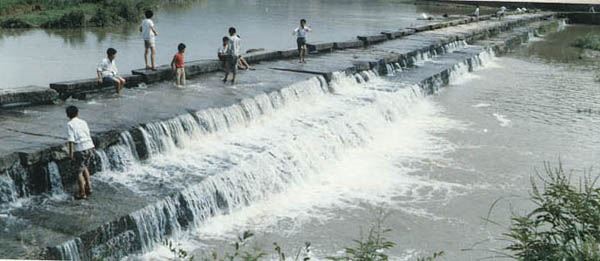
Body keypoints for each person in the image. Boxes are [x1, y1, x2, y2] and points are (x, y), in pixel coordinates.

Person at [66, 105, 95, 200]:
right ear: (78, 113)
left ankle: (82, 193)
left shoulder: (70, 124)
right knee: (85, 167)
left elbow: (71, 140)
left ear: (67, 115)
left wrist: (71, 153)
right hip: (90, 146)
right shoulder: (83, 122)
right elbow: (87, 134)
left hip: (80, 149)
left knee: (78, 171)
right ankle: (89, 187)